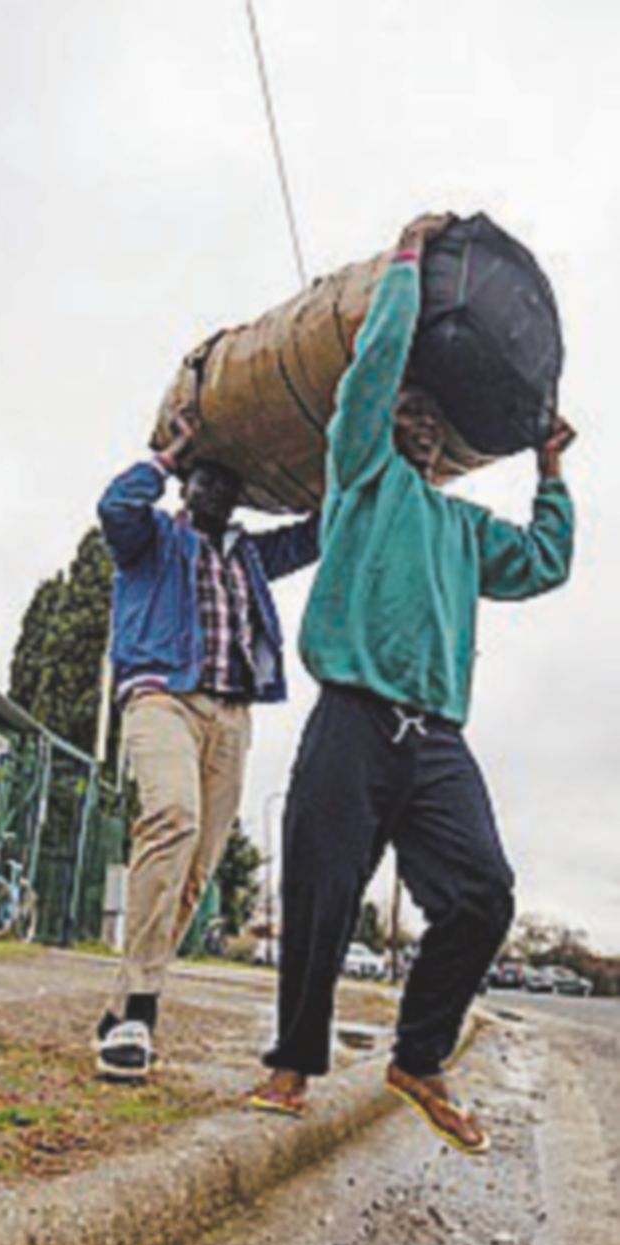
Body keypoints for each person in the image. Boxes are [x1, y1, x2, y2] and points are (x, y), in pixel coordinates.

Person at [249, 213, 575, 1154]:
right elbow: (375, 365)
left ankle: (418, 1057)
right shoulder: (360, 479)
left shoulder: (464, 532)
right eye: (408, 419)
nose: (421, 432)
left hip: (434, 739)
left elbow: (546, 560)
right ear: (387, 426)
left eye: (435, 427)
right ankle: (290, 1064)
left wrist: (550, 470)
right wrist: (404, 259)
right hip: (350, 716)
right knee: (319, 895)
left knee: (483, 895)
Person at [95, 418, 321, 1079]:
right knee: (171, 817)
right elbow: (114, 505)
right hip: (162, 697)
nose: (214, 488)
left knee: (196, 871)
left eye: (226, 481)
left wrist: (345, 468)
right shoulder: (150, 538)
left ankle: (121, 1011)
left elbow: (316, 536)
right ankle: (141, 1007)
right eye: (202, 477)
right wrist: (164, 458)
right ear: (185, 487)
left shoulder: (250, 556)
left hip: (232, 716)